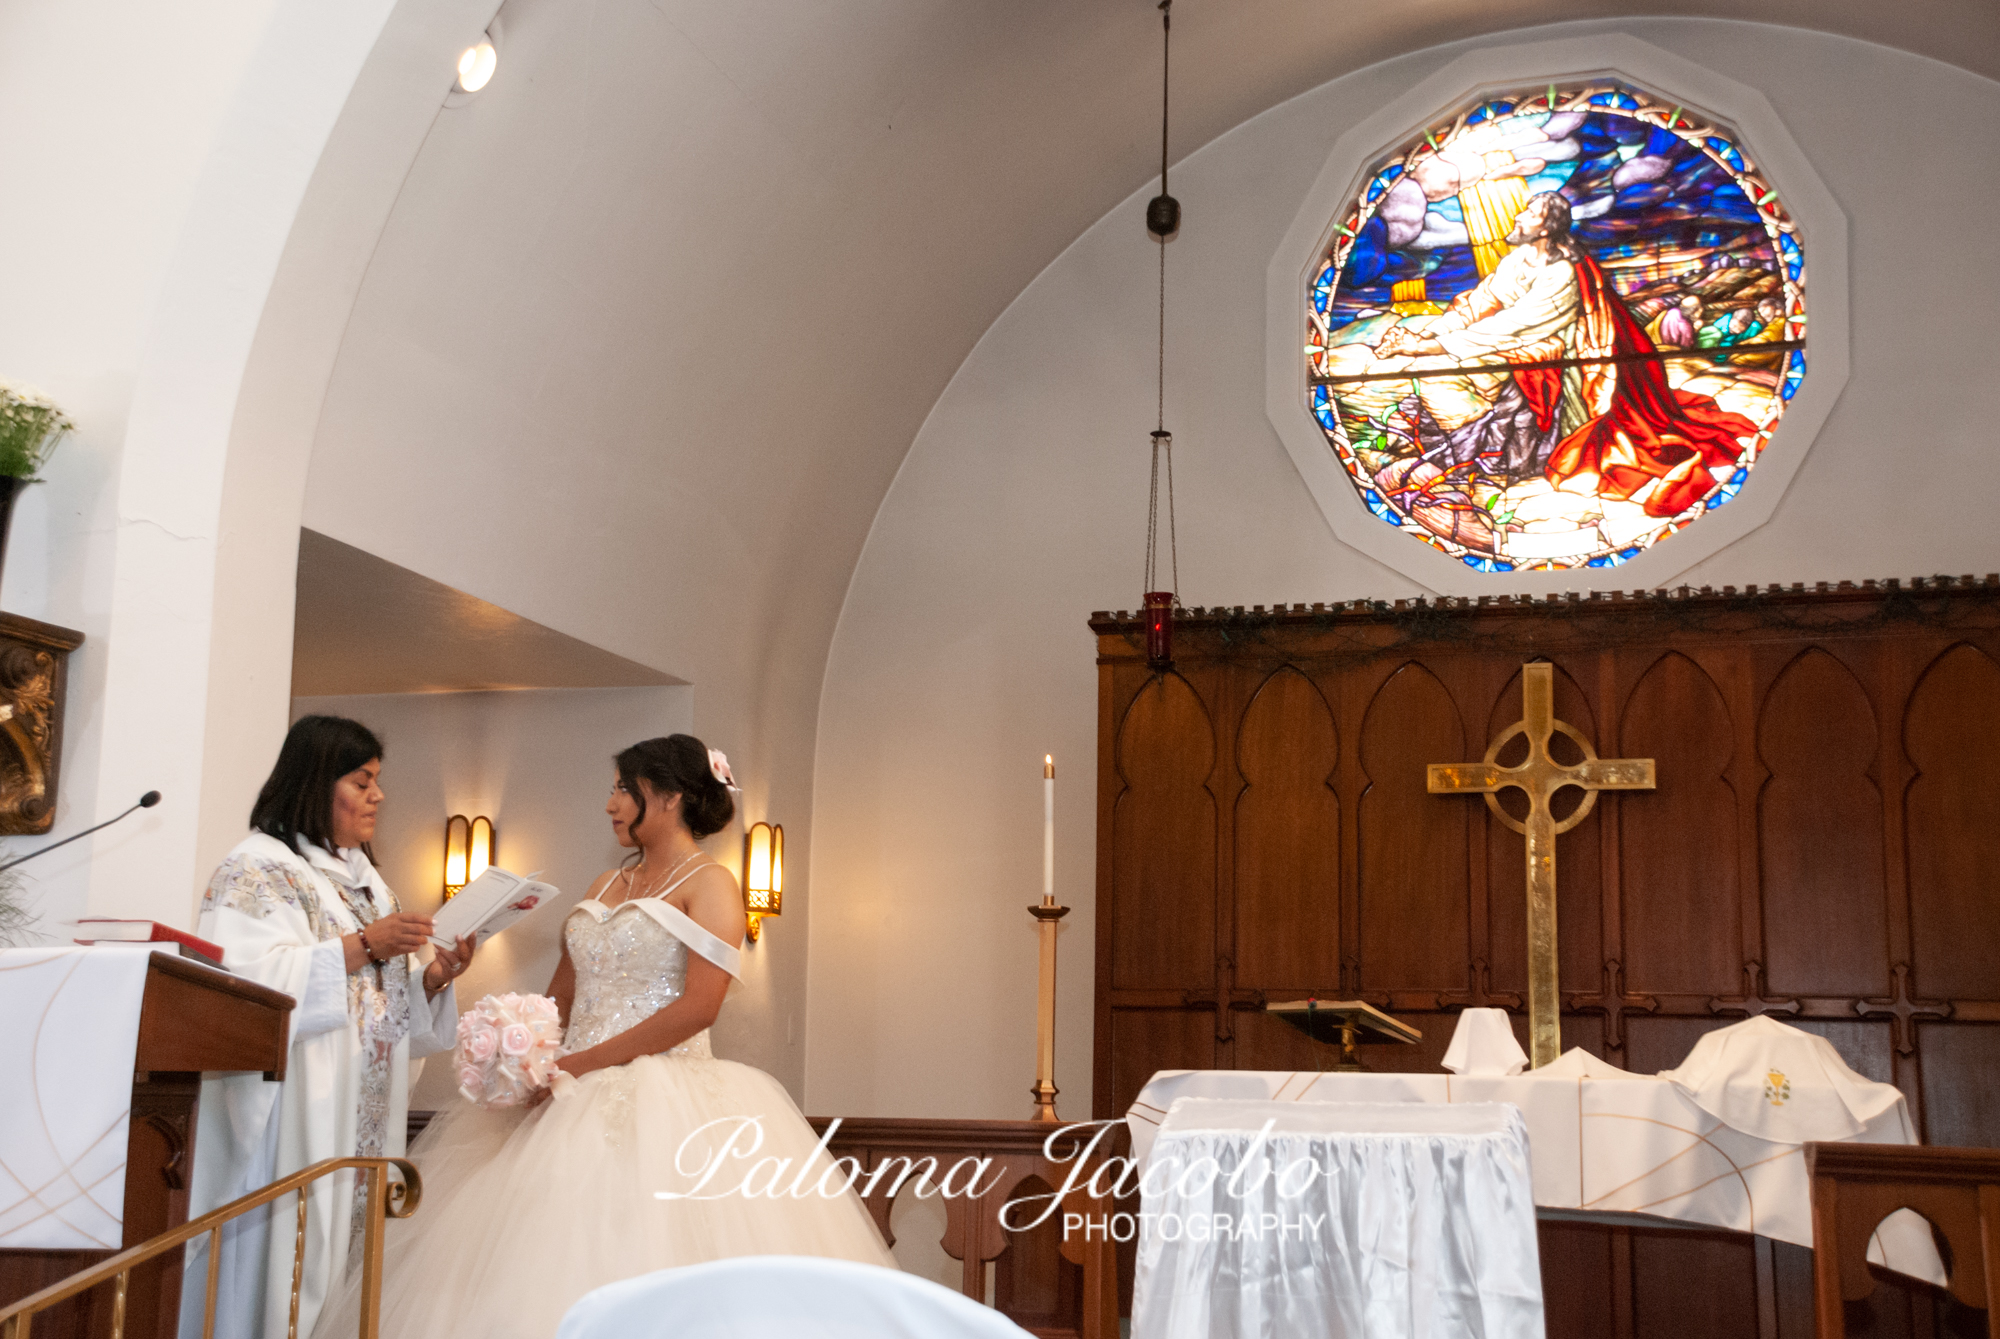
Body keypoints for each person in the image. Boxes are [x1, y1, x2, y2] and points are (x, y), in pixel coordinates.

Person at [314, 734, 893, 1339]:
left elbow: (699, 1007)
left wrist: (584, 1064)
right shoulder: (604, 884)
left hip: (667, 1095)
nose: (610, 803)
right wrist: (519, 1044)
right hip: (565, 1088)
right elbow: (561, 994)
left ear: (666, 796)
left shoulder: (714, 883)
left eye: (623, 788)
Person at [180, 716, 474, 1339]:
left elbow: (383, 1009)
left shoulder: (367, 884)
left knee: (349, 1281)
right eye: (362, 781)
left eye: (377, 782)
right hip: (294, 1117)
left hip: (362, 1116)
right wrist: (362, 946)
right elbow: (243, 991)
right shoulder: (256, 870)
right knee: (288, 1274)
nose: (378, 796)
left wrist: (432, 980)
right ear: (318, 783)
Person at [1362, 191, 1758, 517]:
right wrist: (1423, 333)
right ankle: (1460, 449)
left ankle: (1497, 464)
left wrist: (1430, 345)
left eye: (1529, 213)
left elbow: (1517, 324)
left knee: (1493, 370)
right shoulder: (1517, 259)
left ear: (1547, 227)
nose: (1518, 216)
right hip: (1524, 341)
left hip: (1575, 356)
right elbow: (1480, 305)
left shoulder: (1562, 272)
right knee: (1452, 364)